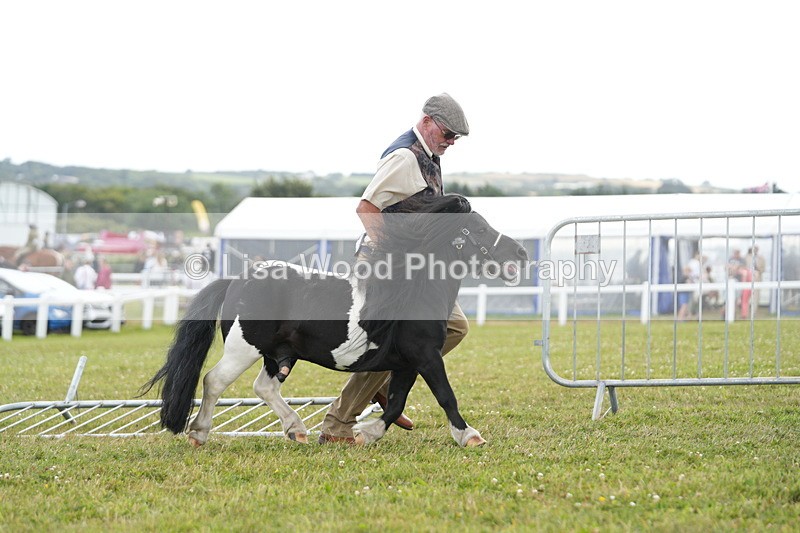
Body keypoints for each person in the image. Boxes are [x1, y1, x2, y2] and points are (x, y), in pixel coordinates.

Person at [318, 93, 471, 444]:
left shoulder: (428, 155)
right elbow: (367, 207)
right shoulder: (405, 157)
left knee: (456, 326)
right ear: (428, 121)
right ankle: (337, 425)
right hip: (386, 265)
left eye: (455, 138)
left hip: (417, 268)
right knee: (389, 346)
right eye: (448, 134)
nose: (451, 142)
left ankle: (385, 385)